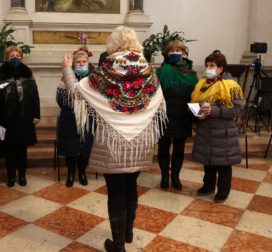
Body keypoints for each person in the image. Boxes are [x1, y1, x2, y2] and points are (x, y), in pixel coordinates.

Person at [61, 26, 166, 252]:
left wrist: (68, 70)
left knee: (116, 190)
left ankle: (118, 245)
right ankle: (127, 233)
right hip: (141, 138)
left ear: (112, 45)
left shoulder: (105, 72)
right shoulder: (149, 71)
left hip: (113, 140)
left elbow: (75, 92)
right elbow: (158, 101)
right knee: (131, 185)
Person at [190, 52, 244, 203]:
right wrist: (196, 113)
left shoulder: (231, 85)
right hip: (206, 130)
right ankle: (208, 186)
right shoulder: (202, 84)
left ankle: (223, 191)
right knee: (208, 161)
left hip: (223, 132)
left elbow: (237, 109)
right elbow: (196, 102)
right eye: (207, 65)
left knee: (224, 164)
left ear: (220, 69)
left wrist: (214, 110)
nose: (208, 68)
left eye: (212, 66)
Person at [0, 46, 40, 187]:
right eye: (12, 56)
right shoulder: (0, 74)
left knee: (22, 150)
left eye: (18, 55)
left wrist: (36, 114)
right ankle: (11, 176)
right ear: (7, 58)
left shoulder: (27, 73)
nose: (15, 58)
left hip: (24, 117)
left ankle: (22, 176)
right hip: (7, 118)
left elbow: (34, 95)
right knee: (10, 150)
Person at [155, 40, 198, 190]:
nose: (174, 53)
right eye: (171, 50)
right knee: (163, 148)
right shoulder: (160, 72)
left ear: (183, 53)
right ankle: (165, 177)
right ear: (167, 53)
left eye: (178, 50)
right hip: (164, 116)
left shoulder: (191, 74)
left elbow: (195, 97)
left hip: (183, 117)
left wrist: (195, 119)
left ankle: (176, 176)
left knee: (179, 149)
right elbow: (154, 96)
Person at [56, 50, 95, 187]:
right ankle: (71, 173)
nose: (81, 64)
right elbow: (60, 99)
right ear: (73, 64)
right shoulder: (65, 79)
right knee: (70, 147)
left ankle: (82, 172)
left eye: (84, 62)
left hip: (88, 118)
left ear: (88, 63)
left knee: (85, 146)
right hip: (69, 118)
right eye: (78, 62)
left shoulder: (93, 80)